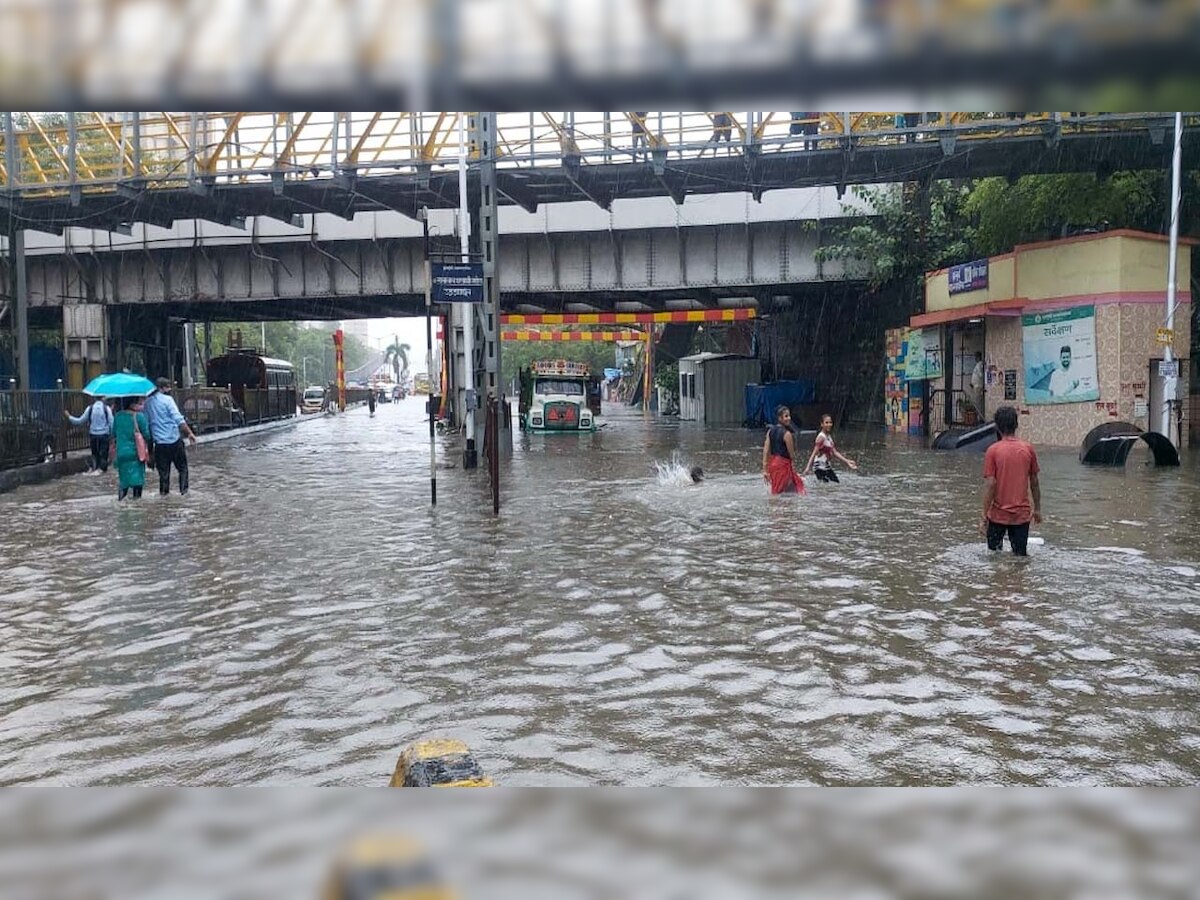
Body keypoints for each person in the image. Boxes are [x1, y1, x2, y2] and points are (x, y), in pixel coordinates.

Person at [980, 405, 1042, 556]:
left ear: (997, 426)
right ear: (1016, 425)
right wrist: (1038, 509)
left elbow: (991, 484)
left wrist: (983, 514)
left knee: (993, 557)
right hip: (1021, 516)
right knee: (1020, 558)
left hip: (997, 516)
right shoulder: (1028, 449)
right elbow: (1034, 482)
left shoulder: (993, 451)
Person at [143, 378, 198, 496]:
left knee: (163, 475)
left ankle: (164, 498)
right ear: (162, 388)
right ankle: (184, 493)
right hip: (174, 441)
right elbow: (178, 419)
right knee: (183, 469)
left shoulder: (147, 403)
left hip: (160, 445)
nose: (170, 389)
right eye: (168, 387)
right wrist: (189, 433)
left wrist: (150, 451)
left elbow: (147, 427)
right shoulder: (168, 400)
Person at [112, 397, 152, 500]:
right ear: (133, 404)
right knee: (137, 481)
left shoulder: (118, 416)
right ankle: (136, 503)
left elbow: (113, 434)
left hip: (121, 453)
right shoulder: (139, 417)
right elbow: (147, 435)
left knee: (123, 481)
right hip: (136, 454)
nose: (141, 404)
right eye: (139, 402)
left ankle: (121, 500)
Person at [761, 405, 807, 495]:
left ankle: (775, 507)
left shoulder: (770, 431)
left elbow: (766, 451)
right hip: (783, 465)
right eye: (786, 416)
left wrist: (765, 470)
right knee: (795, 490)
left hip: (773, 464)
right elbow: (791, 455)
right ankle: (785, 507)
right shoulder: (787, 434)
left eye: (789, 416)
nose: (788, 418)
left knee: (777, 491)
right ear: (779, 418)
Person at [64, 395, 114, 473]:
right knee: (103, 457)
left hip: (93, 436)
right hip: (104, 436)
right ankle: (102, 471)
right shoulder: (107, 409)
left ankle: (95, 469)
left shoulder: (90, 408)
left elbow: (79, 421)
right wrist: (113, 436)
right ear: (103, 398)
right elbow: (112, 424)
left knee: (95, 456)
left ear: (94, 398)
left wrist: (69, 416)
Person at [803, 413, 858, 483]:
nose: (829, 424)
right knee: (825, 487)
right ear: (822, 424)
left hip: (827, 466)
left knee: (836, 483)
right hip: (819, 467)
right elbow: (813, 454)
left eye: (830, 422)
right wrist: (808, 468)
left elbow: (835, 452)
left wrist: (847, 461)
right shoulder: (821, 438)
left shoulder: (828, 437)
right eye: (826, 422)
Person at [969, 351, 985, 416]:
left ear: (978, 357)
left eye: (976, 356)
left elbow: (981, 375)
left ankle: (980, 417)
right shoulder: (978, 364)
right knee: (976, 402)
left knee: (978, 403)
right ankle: (979, 416)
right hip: (975, 386)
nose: (975, 358)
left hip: (978, 386)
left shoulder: (980, 364)